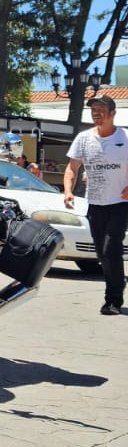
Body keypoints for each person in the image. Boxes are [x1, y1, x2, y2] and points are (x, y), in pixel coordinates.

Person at [64, 93, 128, 316]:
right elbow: (72, 168)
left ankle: (113, 299)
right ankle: (117, 284)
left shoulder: (125, 137)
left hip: (120, 202)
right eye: (93, 112)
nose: (97, 115)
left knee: (112, 249)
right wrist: (68, 190)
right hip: (95, 202)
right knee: (101, 252)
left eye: (101, 111)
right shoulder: (83, 138)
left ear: (112, 114)